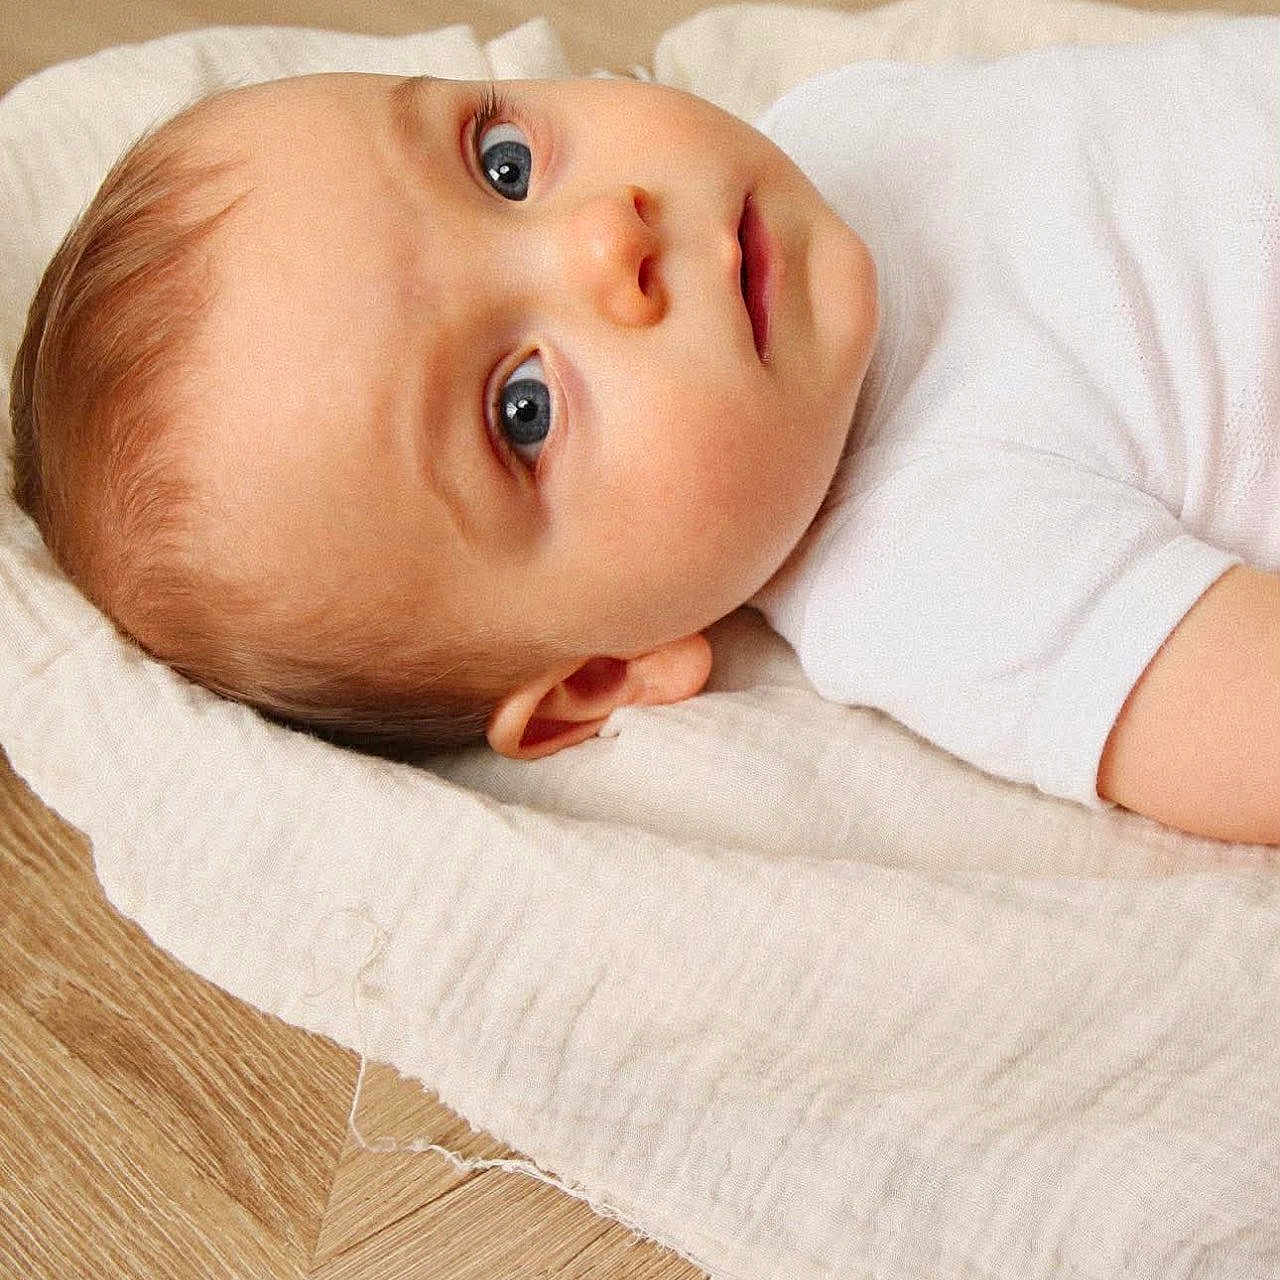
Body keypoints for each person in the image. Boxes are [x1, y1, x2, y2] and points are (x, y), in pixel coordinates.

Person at [9, 16, 1280, 846]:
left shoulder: (829, 128)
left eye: (502, 163)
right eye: (523, 409)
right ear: (602, 672)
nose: (607, 236)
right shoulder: (934, 571)